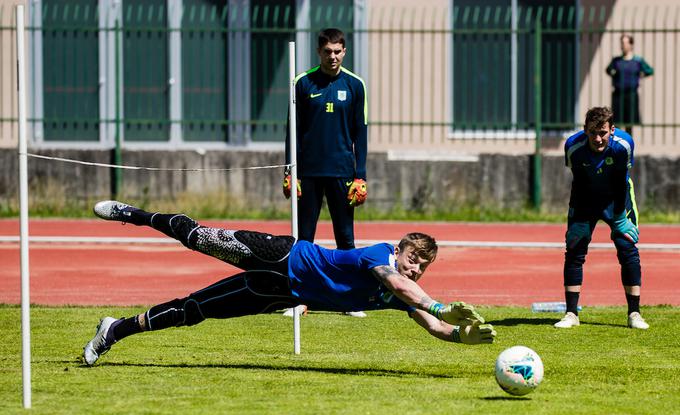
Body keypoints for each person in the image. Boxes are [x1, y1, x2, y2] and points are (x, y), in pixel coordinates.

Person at [82, 200, 496, 366]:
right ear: (401, 249)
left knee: (195, 310)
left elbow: (433, 324)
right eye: (413, 259)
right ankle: (133, 214)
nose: (416, 269)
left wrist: (461, 337)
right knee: (197, 237)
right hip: (280, 255)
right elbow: (409, 292)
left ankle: (114, 329)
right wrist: (438, 305)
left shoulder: (402, 293)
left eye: (424, 266)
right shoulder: (381, 256)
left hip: (279, 292)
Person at [283, 28, 369, 317]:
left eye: (338, 51)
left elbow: (361, 133)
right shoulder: (302, 83)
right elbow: (291, 132)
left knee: (345, 238)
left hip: (342, 173)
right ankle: (300, 301)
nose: (333, 56)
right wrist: (288, 170)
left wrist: (361, 175)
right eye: (327, 51)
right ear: (318, 52)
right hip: (307, 172)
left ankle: (349, 301)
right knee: (303, 240)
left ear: (344, 51)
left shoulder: (356, 85)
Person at [555, 106, 648, 330]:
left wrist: (619, 219)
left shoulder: (623, 145)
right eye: (593, 132)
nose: (598, 139)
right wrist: (578, 216)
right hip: (585, 199)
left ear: (612, 130)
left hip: (617, 198)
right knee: (575, 248)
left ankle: (634, 313)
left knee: (627, 246)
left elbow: (619, 182)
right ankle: (571, 313)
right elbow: (579, 180)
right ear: (585, 130)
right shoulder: (573, 147)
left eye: (603, 133)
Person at [605, 34, 654, 135]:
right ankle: (616, 143)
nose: (623, 45)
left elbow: (649, 70)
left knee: (629, 122)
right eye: (622, 43)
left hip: (631, 94)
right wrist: (613, 73)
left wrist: (642, 74)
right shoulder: (616, 61)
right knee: (616, 121)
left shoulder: (637, 61)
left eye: (625, 43)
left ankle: (628, 144)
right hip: (618, 94)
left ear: (631, 45)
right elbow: (608, 70)